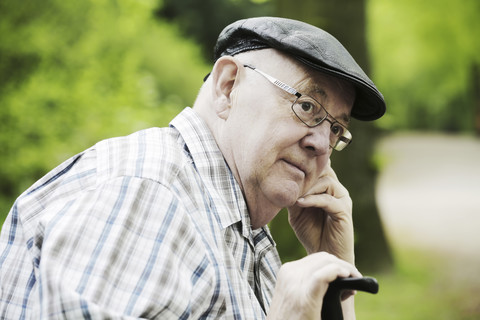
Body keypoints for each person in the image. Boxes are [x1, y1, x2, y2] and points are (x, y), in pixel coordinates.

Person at [0, 17, 385, 319]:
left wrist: (338, 281)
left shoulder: (238, 228)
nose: (321, 142)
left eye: (336, 128)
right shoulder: (148, 193)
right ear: (228, 85)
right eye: (306, 106)